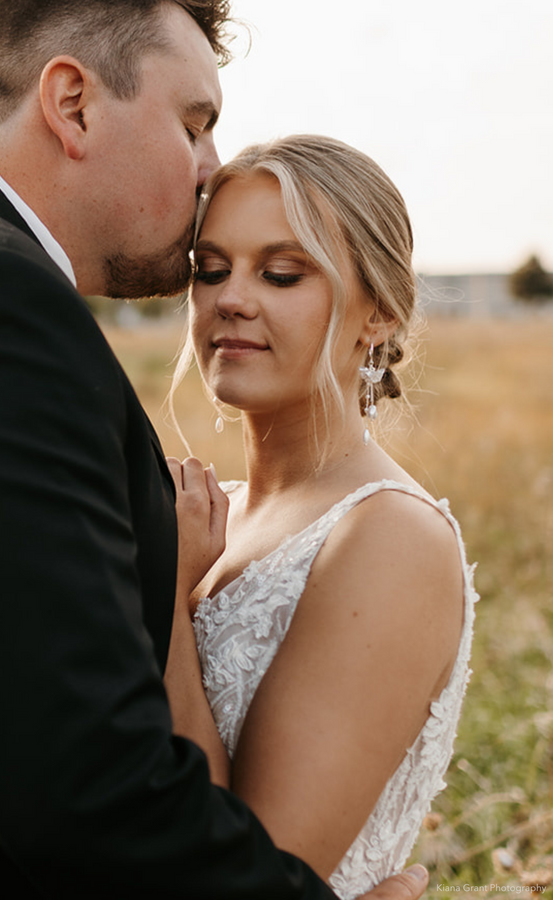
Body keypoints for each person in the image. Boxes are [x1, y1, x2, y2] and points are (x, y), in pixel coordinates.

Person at [0, 0, 431, 896]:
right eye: (195, 123)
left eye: (282, 271)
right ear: (72, 103)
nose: (210, 165)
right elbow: (81, 787)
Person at [164, 135, 478, 900]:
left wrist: (168, 605)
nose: (231, 297)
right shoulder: (213, 511)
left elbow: (249, 877)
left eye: (280, 273)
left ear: (378, 313)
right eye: (210, 270)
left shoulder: (387, 537)